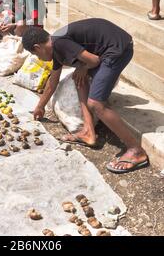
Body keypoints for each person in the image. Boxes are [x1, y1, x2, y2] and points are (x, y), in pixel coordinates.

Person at [22, 20, 149, 174]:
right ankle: (89, 132)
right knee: (79, 79)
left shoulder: (59, 43)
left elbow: (93, 60)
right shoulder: (56, 48)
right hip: (107, 48)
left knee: (96, 103)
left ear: (37, 47)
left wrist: (83, 66)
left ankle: (136, 150)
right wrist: (40, 106)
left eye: (35, 54)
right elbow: (52, 82)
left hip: (118, 48)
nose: (38, 58)